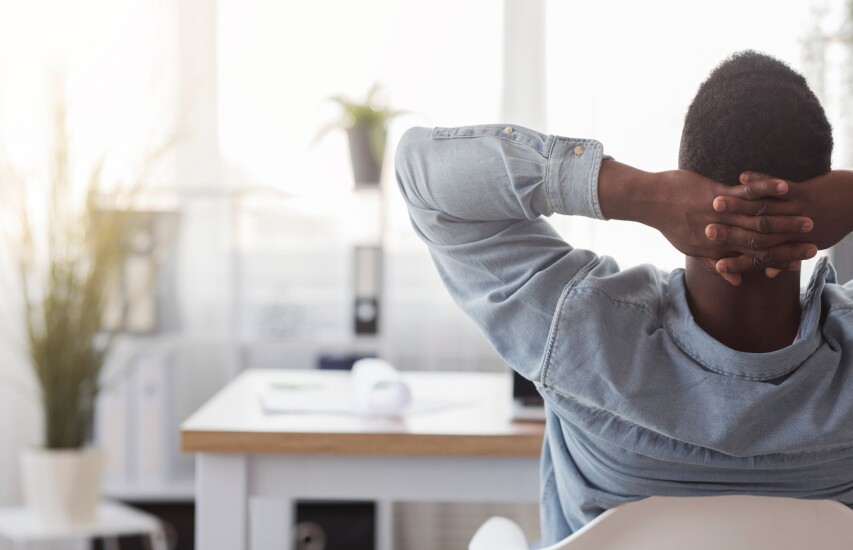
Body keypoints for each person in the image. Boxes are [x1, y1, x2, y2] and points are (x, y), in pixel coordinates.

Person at [394, 50, 853, 544]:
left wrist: (638, 193)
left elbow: (423, 175)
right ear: (824, 204)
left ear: (686, 182)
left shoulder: (579, 328)